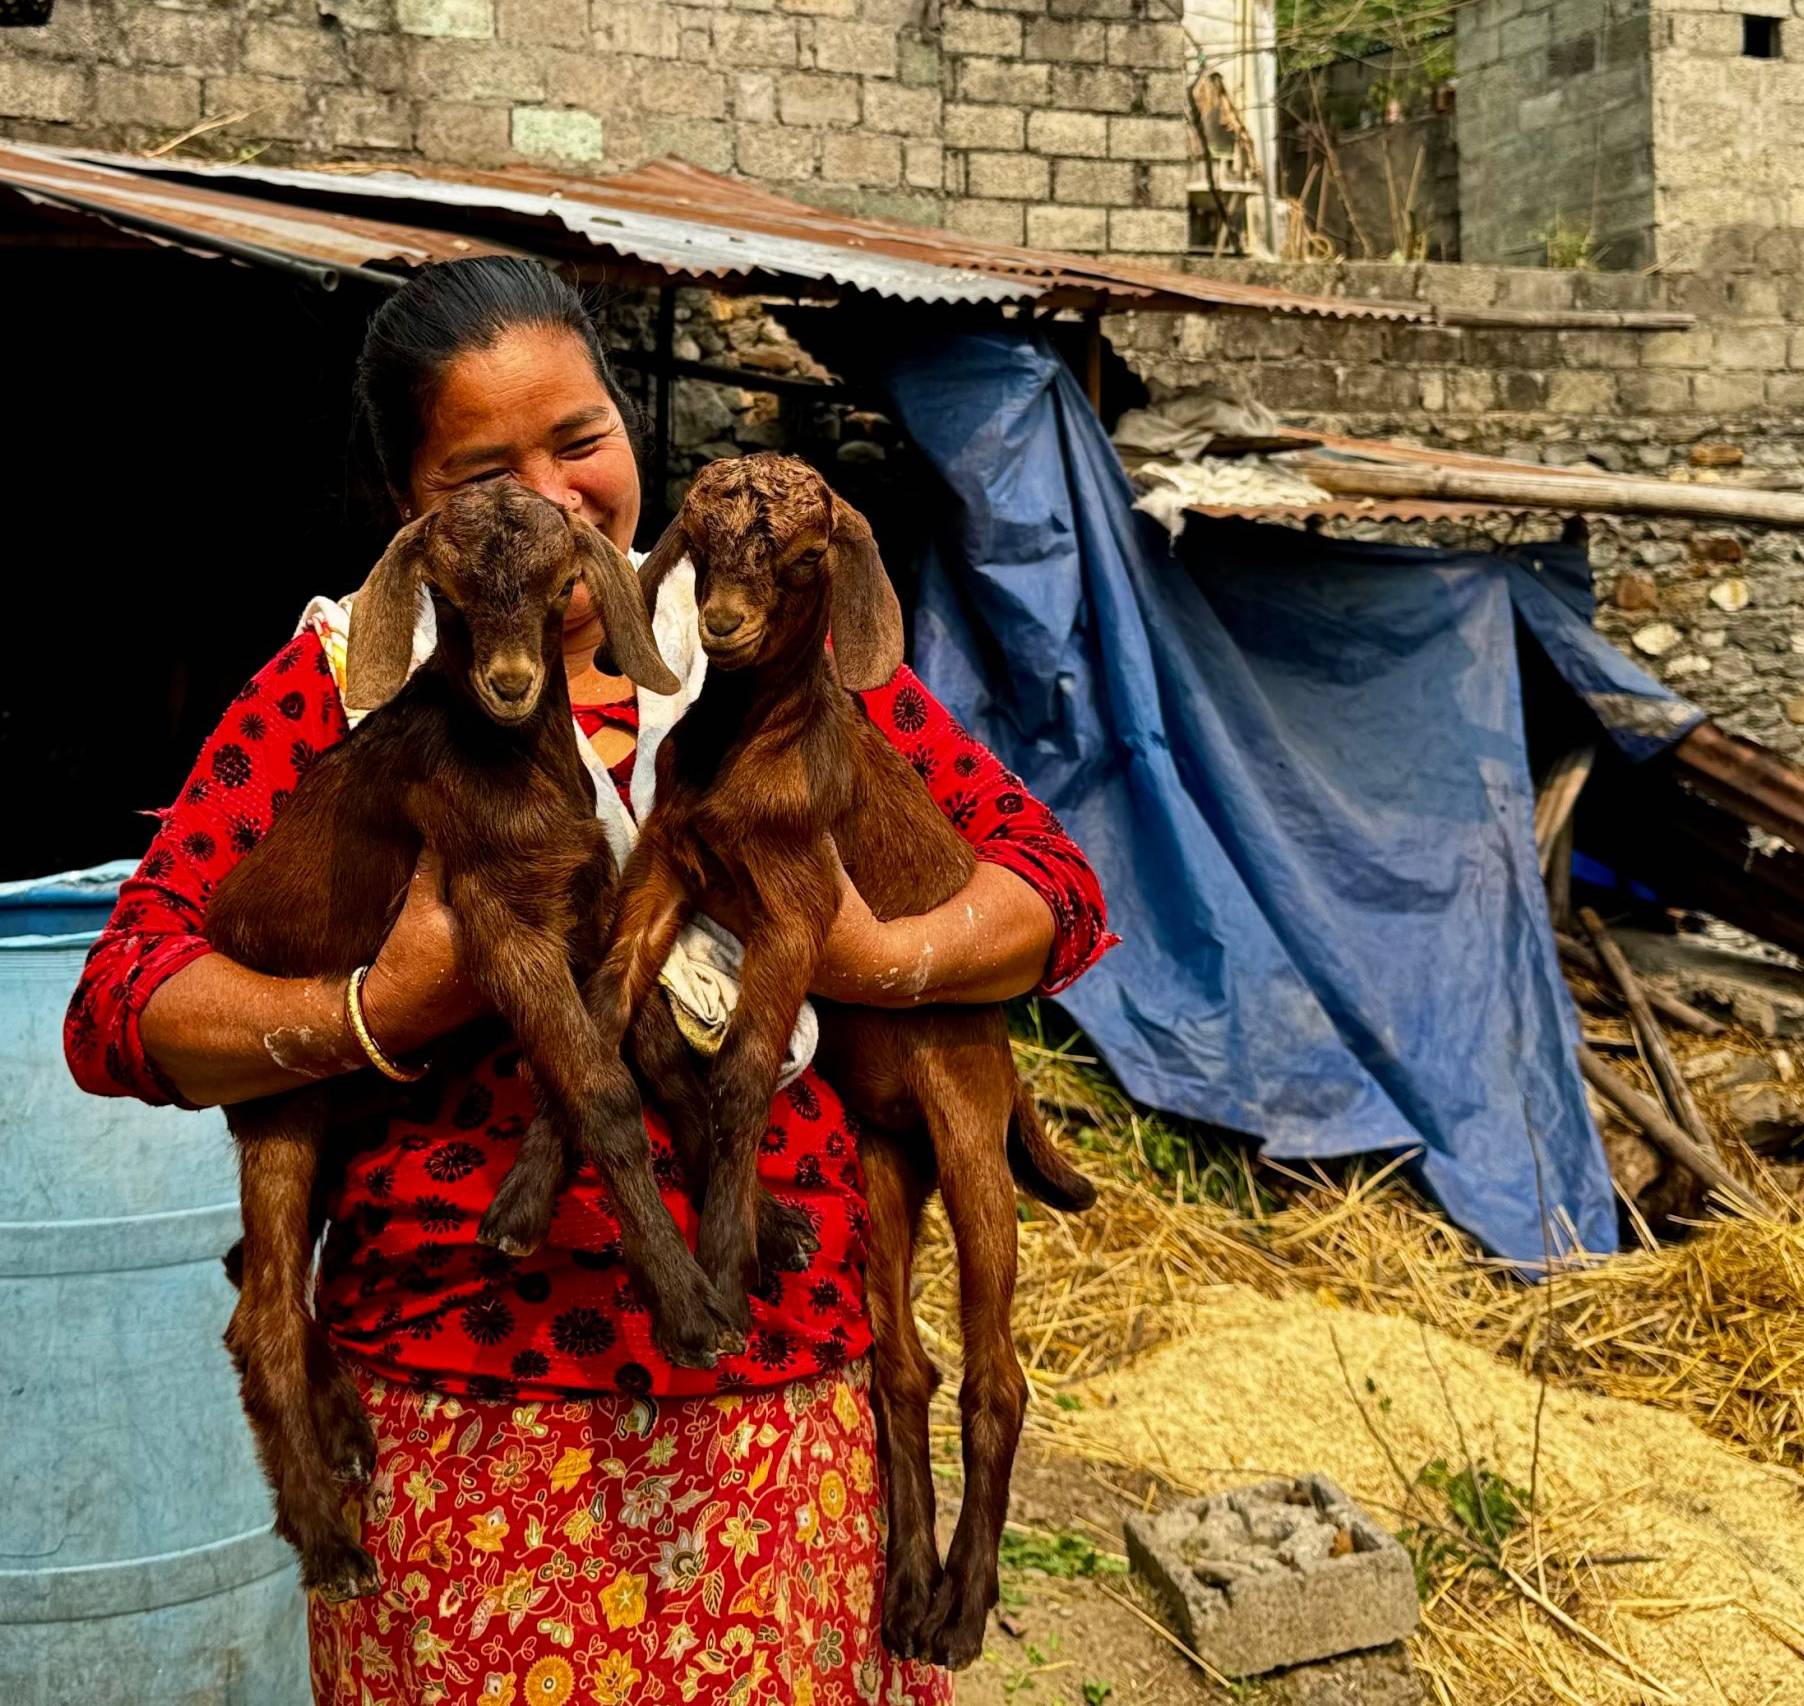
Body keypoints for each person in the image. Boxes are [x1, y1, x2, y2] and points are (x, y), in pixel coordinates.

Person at [64, 257, 1113, 1706]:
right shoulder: (341, 691)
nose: (556, 496)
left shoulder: (770, 665)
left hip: (782, 1408)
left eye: (581, 437)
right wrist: (377, 1007)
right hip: (457, 1413)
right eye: (485, 466)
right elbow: (123, 1006)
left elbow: (1052, 889)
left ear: (633, 430)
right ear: (416, 514)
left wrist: (884, 954)